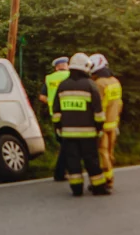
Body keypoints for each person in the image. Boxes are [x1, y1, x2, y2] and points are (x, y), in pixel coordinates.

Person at [52, 53, 109, 196]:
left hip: (68, 133)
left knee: (73, 162)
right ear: (85, 67)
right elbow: (98, 111)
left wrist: (58, 129)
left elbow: (56, 111)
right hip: (88, 133)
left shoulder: (63, 86)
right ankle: (98, 188)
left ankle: (76, 189)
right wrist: (99, 128)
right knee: (92, 161)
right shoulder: (90, 85)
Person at [89, 54, 122, 191]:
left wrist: (95, 124)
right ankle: (108, 176)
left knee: (102, 153)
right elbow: (119, 103)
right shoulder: (115, 81)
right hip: (113, 123)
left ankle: (107, 180)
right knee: (109, 152)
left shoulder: (99, 84)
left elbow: (98, 106)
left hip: (102, 124)